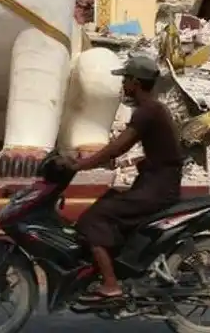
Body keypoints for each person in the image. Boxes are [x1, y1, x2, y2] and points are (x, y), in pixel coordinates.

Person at [58, 54, 184, 302]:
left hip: (156, 189)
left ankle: (111, 284)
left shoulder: (146, 112)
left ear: (136, 83)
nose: (123, 85)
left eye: (125, 79)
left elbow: (117, 147)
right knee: (110, 199)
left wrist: (80, 165)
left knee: (94, 219)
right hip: (156, 184)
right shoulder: (153, 109)